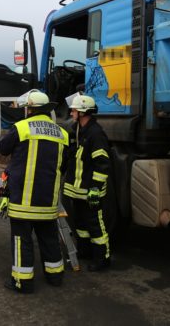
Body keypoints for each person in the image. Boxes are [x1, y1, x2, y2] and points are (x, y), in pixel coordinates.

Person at [0, 89, 68, 294]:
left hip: (23, 200)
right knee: (49, 239)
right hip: (48, 201)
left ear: (29, 109)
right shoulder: (62, 133)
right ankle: (55, 277)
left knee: (22, 241)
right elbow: (65, 164)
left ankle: (22, 282)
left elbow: (2, 149)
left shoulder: (21, 128)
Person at [62, 93, 112, 271]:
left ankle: (102, 259)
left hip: (90, 190)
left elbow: (102, 164)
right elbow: (70, 155)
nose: (71, 112)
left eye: (74, 109)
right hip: (77, 190)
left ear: (82, 112)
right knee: (80, 223)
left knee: (95, 224)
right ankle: (84, 251)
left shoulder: (95, 134)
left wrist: (95, 190)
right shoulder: (77, 130)